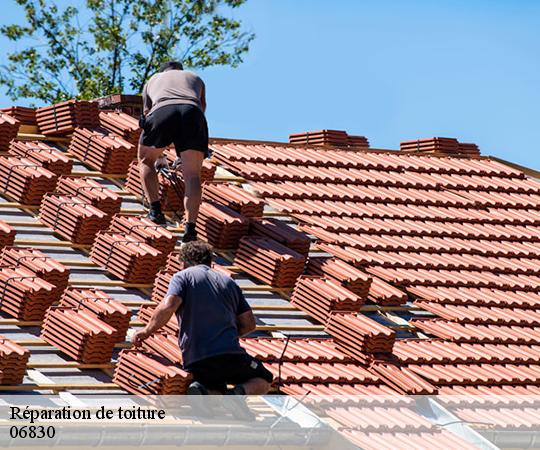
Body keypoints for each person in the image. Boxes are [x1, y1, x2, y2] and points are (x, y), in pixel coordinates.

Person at [132, 241, 273, 402]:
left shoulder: (183, 276)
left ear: (185, 262)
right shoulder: (228, 282)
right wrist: (227, 334)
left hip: (196, 359)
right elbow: (249, 324)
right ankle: (235, 395)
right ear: (209, 261)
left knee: (212, 385)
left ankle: (206, 392)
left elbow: (168, 306)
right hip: (230, 355)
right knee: (265, 379)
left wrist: (146, 331)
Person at [138, 61, 208, 243]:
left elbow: (147, 114)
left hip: (163, 111)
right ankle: (191, 228)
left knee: (145, 160)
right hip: (192, 113)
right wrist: (182, 153)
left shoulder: (153, 80)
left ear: (163, 72)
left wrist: (159, 155)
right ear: (180, 70)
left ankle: (155, 210)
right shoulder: (195, 78)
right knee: (192, 175)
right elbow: (202, 108)